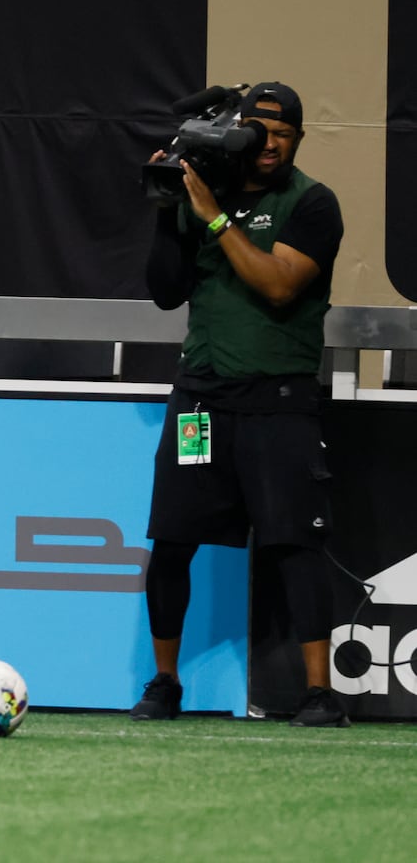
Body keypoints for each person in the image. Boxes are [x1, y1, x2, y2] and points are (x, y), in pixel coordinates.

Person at [131, 82, 347, 728]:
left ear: (299, 139)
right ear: (240, 130)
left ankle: (318, 693)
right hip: (202, 396)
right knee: (171, 541)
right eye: (259, 130)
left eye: (283, 133)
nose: (270, 143)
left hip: (278, 400)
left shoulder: (312, 203)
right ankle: (164, 683)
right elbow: (165, 292)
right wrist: (171, 202)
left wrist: (216, 219)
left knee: (294, 545)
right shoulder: (207, 190)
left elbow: (280, 286)